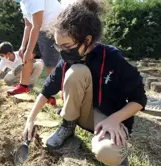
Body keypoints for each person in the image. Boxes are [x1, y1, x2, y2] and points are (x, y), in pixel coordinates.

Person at [22, 1, 146, 166]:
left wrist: (114, 119)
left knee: (108, 154)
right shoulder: (68, 60)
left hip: (108, 118)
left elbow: (139, 99)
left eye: (66, 46)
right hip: (82, 114)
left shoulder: (112, 58)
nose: (63, 52)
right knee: (77, 71)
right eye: (59, 47)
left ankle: (115, 148)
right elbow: (46, 90)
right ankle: (68, 125)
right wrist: (30, 119)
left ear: (87, 40)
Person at [8, 0, 63, 96]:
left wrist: (29, 51)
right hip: (39, 29)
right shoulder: (23, 3)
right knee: (26, 54)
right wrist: (23, 46)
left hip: (54, 30)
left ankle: (49, 96)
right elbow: (28, 25)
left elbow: (37, 25)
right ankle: (23, 86)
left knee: (51, 64)